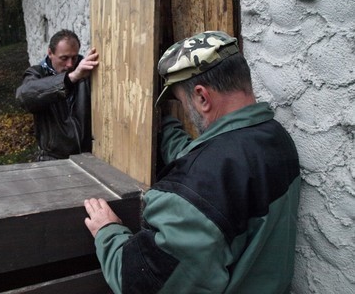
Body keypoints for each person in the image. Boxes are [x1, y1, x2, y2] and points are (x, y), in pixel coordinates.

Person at [84, 31, 301, 293]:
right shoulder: (274, 137)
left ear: (201, 98)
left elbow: (140, 284)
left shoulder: (193, 196)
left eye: (183, 102)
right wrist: (164, 128)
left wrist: (108, 232)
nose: (188, 110)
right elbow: (210, 163)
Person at [16, 29, 99, 161]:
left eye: (74, 57)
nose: (70, 64)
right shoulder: (37, 73)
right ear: (50, 53)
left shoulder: (87, 71)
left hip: (88, 156)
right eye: (64, 58)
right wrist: (69, 79)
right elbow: (24, 97)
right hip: (53, 158)